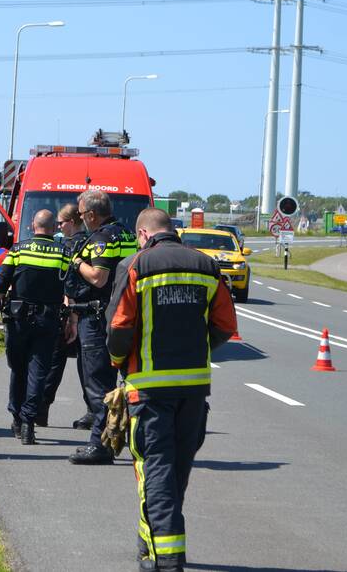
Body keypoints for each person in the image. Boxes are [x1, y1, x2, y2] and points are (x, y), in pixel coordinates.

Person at [108, 208, 237, 572]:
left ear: (144, 234)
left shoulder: (137, 265)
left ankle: (167, 559)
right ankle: (150, 546)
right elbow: (226, 325)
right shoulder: (207, 266)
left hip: (148, 388)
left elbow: (119, 326)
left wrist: (119, 360)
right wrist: (199, 348)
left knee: (156, 470)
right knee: (176, 469)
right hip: (194, 387)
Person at [67, 190, 138, 465]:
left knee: (97, 384)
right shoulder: (126, 234)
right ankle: (130, 439)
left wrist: (77, 261)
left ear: (93, 215)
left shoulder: (101, 238)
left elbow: (98, 277)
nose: (81, 219)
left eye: (82, 214)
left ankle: (100, 445)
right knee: (120, 379)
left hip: (97, 319)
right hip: (121, 315)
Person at [0, 210, 68, 444]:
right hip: (48, 320)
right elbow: (68, 291)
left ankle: (16, 419)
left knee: (18, 368)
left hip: (18, 319)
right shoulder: (64, 254)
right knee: (39, 372)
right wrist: (71, 321)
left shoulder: (18, 250)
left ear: (33, 226)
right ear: (54, 228)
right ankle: (29, 423)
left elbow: (0, 285)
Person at [39, 203, 92, 428]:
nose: (58, 227)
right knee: (87, 364)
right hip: (89, 309)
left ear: (71, 222)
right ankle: (93, 410)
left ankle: (41, 409)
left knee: (55, 362)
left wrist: (69, 309)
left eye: (61, 223)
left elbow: (67, 281)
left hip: (70, 309)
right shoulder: (92, 243)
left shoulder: (70, 246)